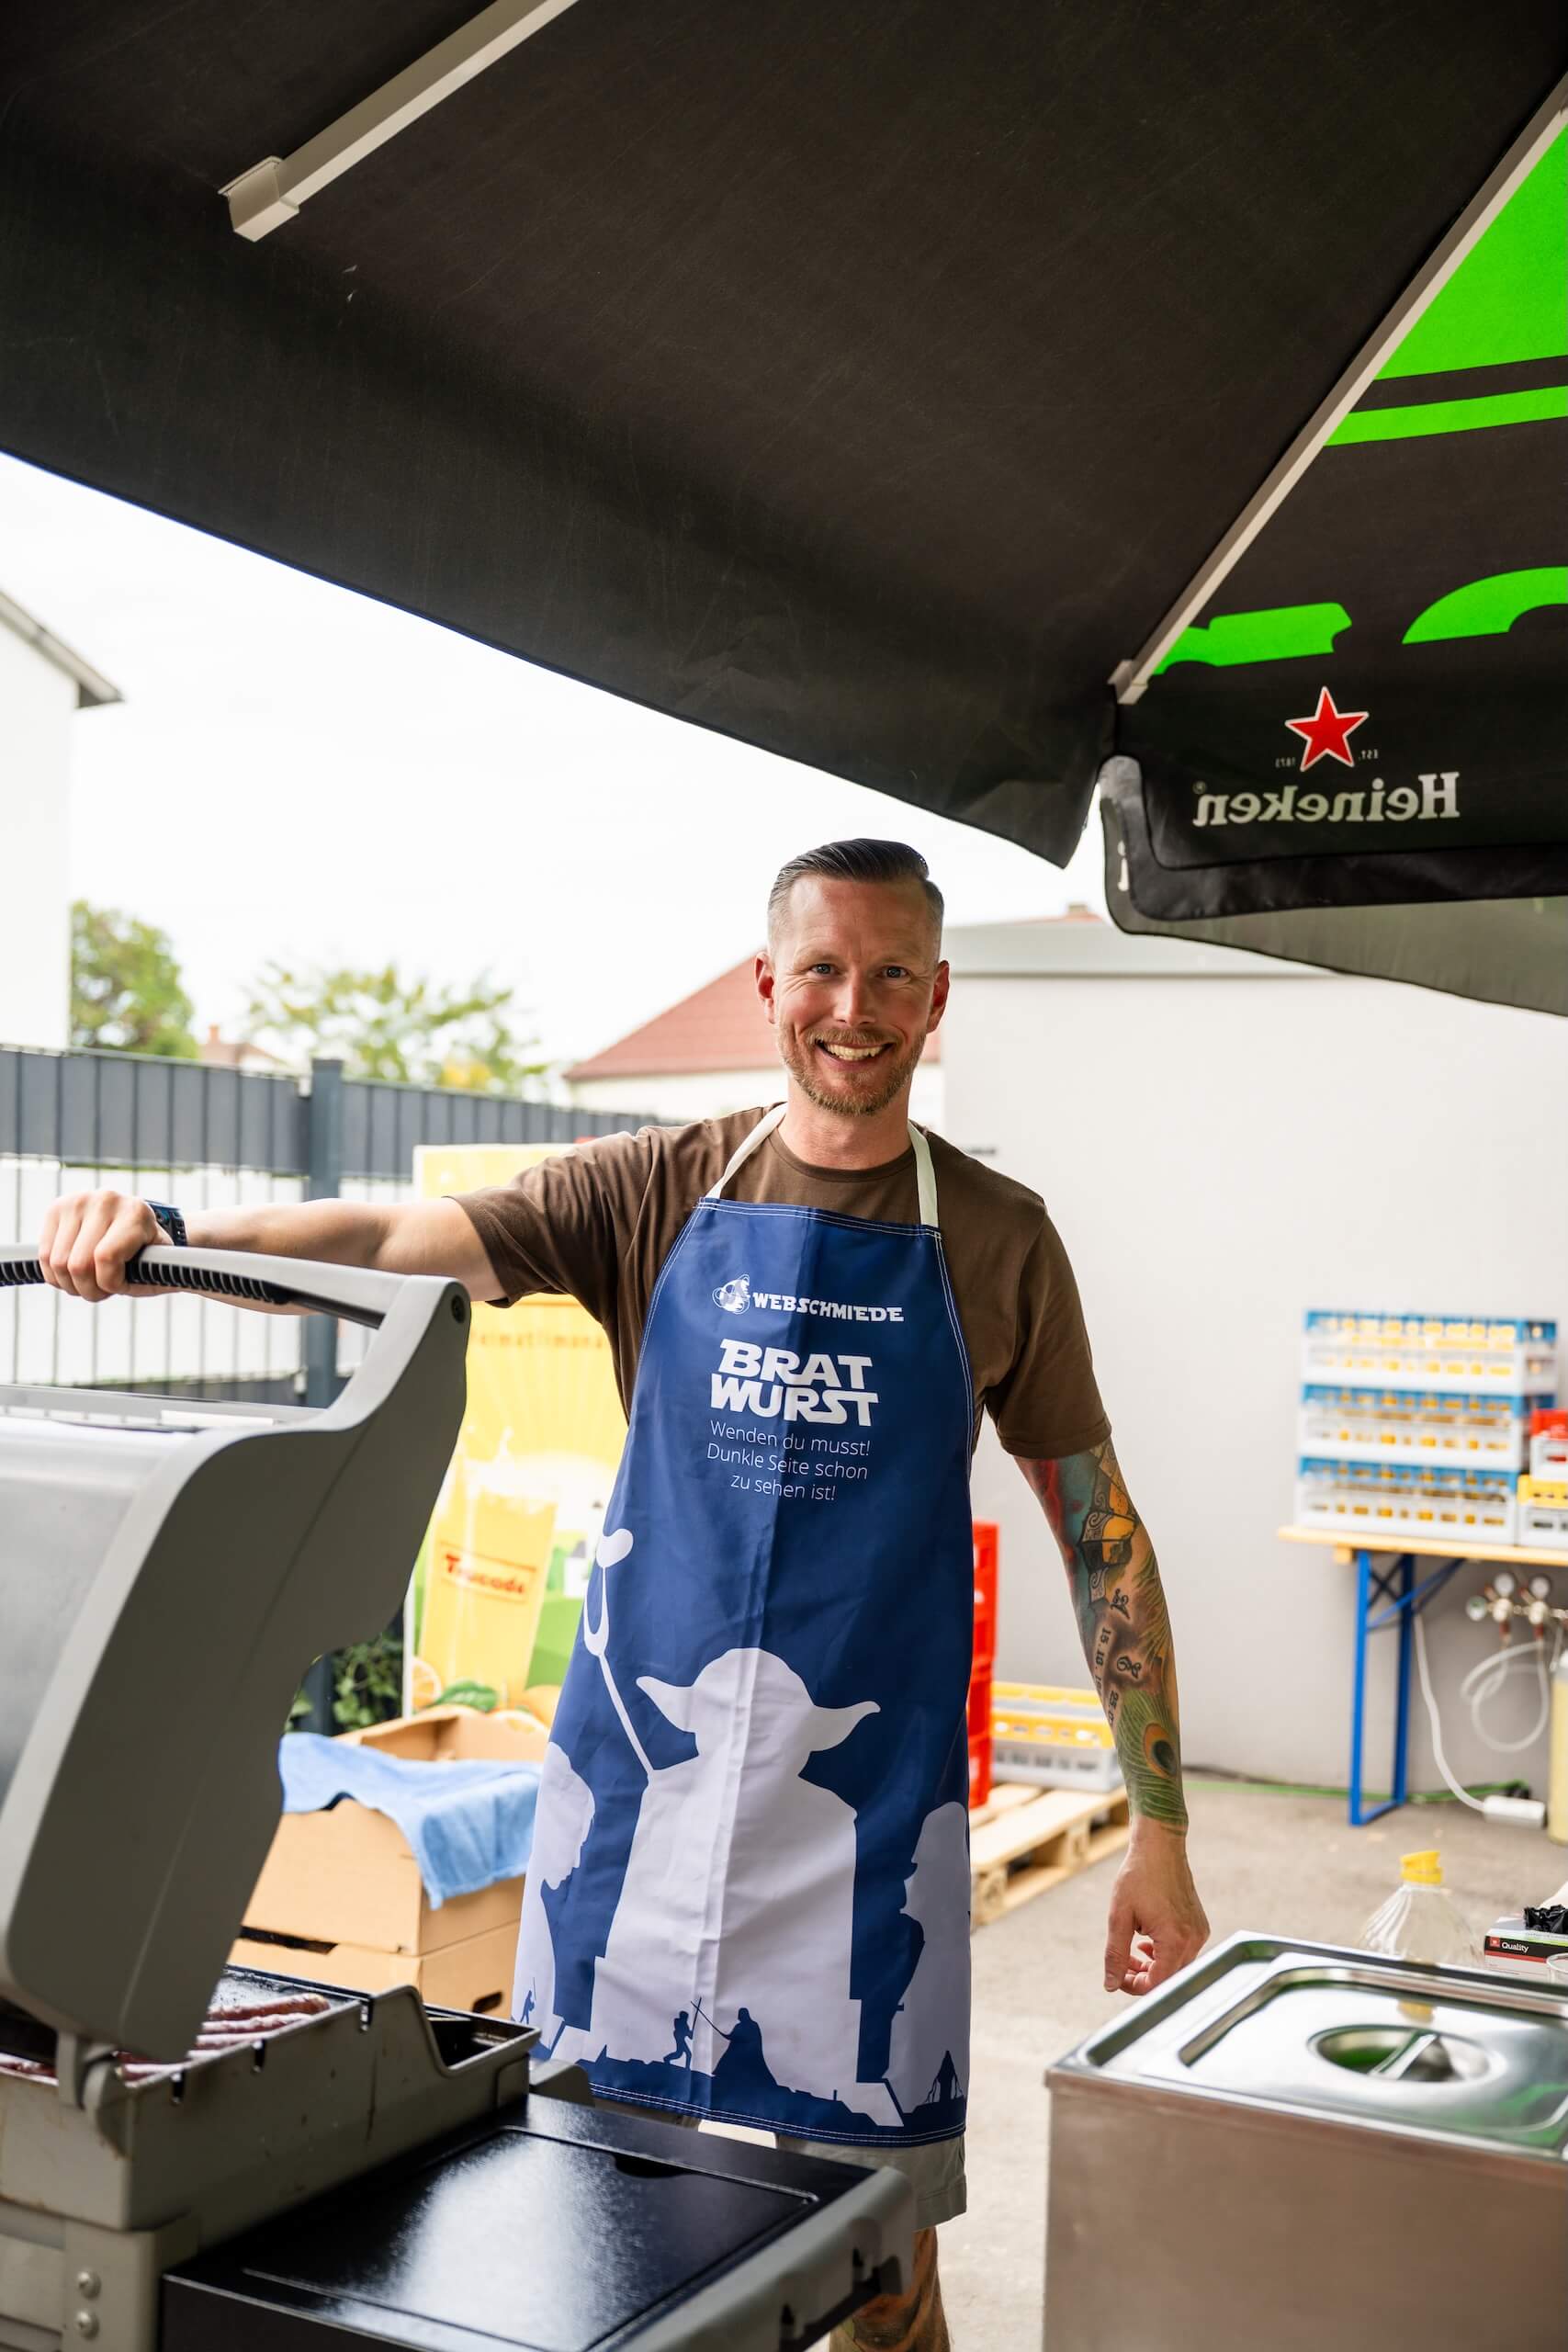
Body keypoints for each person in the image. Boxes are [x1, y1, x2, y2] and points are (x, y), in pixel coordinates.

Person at [39, 838, 1208, 2351]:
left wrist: (1162, 1832)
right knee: (594, 2246)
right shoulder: (655, 1185)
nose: (855, 1005)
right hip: (628, 1845)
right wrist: (177, 1245)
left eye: (893, 974)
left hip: (859, 1852)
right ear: (770, 985)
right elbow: (397, 1243)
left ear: (937, 1000)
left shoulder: (998, 1237)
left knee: (880, 2274)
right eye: (826, 970)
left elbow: (1100, 1530)